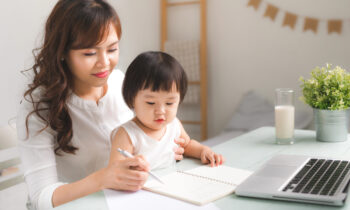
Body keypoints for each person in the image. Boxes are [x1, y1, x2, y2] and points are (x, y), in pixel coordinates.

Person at [16, 0, 185, 209]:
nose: (104, 62)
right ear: (62, 53)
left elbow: (144, 132)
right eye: (89, 53)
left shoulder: (119, 82)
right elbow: (41, 197)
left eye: (112, 49)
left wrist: (163, 148)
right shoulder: (39, 108)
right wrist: (104, 178)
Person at [109, 51, 224, 171]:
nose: (161, 111)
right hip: (139, 188)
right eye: (151, 103)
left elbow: (187, 145)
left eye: (169, 103)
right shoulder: (127, 134)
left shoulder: (174, 125)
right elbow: (114, 171)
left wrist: (203, 151)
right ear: (132, 99)